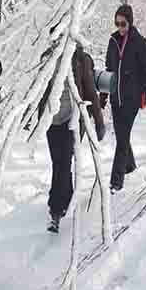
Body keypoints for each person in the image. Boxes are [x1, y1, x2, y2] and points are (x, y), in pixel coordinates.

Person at [37, 41, 106, 233]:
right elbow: (40, 91)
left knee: (63, 162)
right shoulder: (47, 57)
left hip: (72, 120)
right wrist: (36, 118)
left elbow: (91, 91)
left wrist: (99, 123)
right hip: (52, 120)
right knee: (58, 162)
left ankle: (55, 211)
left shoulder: (79, 59)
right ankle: (65, 198)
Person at [105, 4, 146, 193]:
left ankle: (115, 182)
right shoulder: (112, 41)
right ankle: (130, 165)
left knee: (122, 138)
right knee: (121, 136)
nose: (120, 27)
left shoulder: (139, 43)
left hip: (132, 98)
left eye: (123, 23)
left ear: (130, 22)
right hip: (115, 98)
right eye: (117, 23)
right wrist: (103, 96)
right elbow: (108, 70)